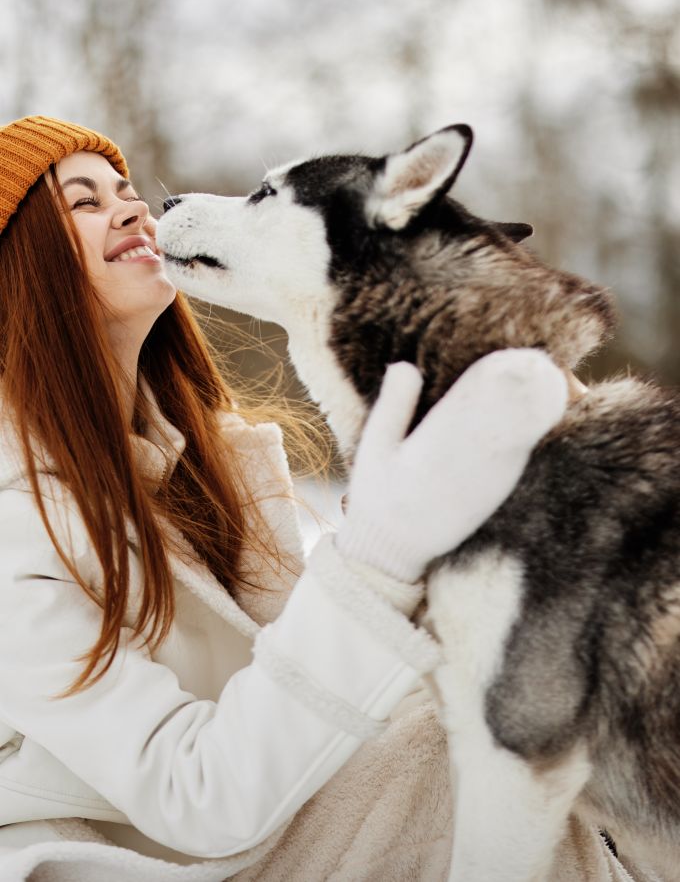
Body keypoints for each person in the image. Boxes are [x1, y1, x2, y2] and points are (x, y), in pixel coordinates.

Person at [0, 116, 630, 882]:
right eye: (84, 203)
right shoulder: (14, 525)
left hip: (298, 820)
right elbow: (196, 798)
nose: (133, 207)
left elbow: (317, 690)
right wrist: (377, 553)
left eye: (126, 191)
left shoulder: (207, 469)